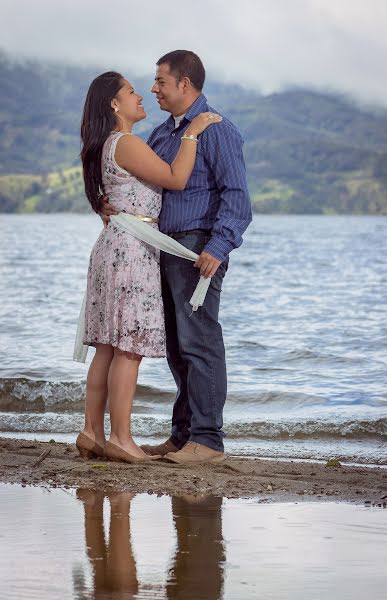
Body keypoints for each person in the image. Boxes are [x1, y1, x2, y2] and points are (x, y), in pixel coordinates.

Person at [102, 51, 252, 465]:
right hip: (160, 249)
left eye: (161, 82)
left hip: (196, 247)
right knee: (176, 348)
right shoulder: (163, 135)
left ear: (185, 84)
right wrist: (109, 206)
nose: (153, 89)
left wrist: (218, 247)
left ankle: (208, 441)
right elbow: (145, 186)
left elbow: (238, 199)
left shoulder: (217, 130)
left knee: (199, 342)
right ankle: (184, 436)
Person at [75, 70, 221, 464]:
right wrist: (192, 133)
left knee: (108, 345)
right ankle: (121, 438)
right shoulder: (125, 142)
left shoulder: (107, 144)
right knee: (129, 347)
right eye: (132, 91)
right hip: (132, 250)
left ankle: (92, 432)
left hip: (115, 245)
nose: (142, 95)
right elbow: (175, 178)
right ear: (114, 104)